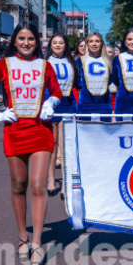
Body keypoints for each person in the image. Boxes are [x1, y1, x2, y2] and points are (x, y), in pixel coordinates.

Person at [0, 23, 62, 265]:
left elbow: (57, 92)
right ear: (15, 41)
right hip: (14, 132)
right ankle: (23, 235)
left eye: (31, 39)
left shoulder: (45, 66)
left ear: (37, 42)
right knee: (18, 186)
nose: (26, 42)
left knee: (37, 185)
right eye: (22, 38)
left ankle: (37, 242)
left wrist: (51, 103)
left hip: (40, 131)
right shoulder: (4, 65)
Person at [45, 33, 80, 197]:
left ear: (65, 45)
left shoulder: (71, 62)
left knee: (66, 148)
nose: (58, 45)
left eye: (61, 43)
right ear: (50, 45)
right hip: (51, 107)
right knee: (52, 145)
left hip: (67, 105)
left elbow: (78, 84)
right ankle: (51, 180)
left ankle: (66, 184)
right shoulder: (44, 63)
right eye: (55, 43)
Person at [75, 33, 113, 122]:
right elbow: (77, 80)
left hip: (104, 102)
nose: (94, 44)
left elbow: (112, 79)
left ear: (102, 44)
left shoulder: (108, 60)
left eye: (97, 41)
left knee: (104, 131)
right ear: (87, 44)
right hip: (86, 102)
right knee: (86, 131)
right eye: (91, 41)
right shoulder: (80, 60)